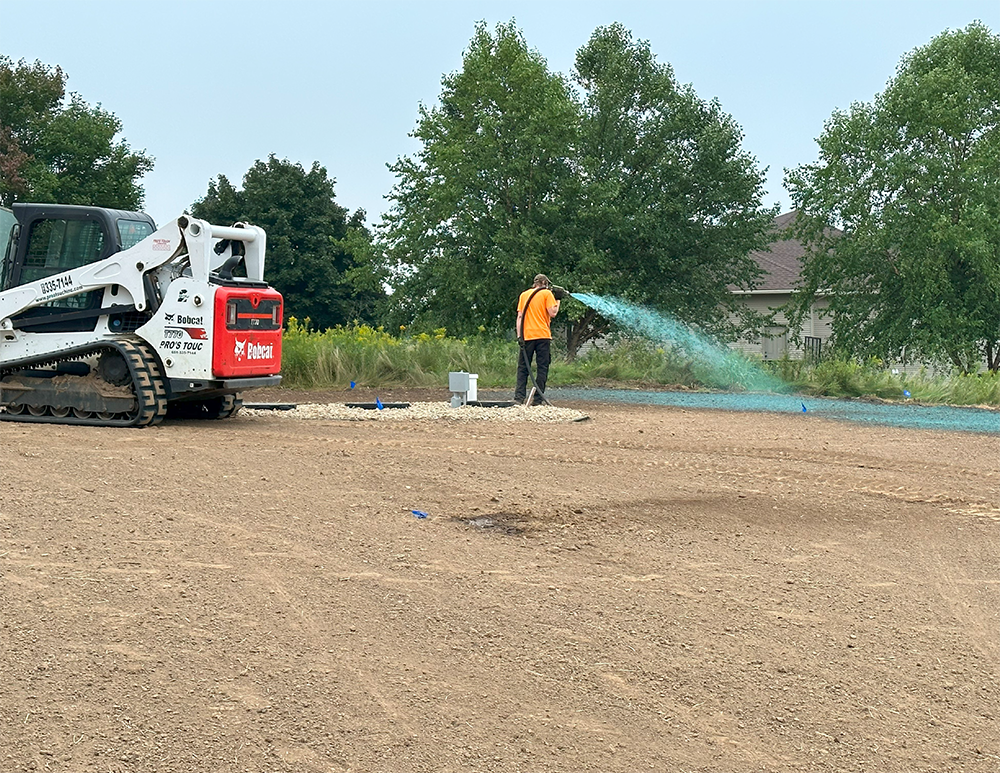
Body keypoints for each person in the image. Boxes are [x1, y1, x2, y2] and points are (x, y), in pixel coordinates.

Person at [514, 274, 560, 405]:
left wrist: (519, 336)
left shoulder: (524, 295)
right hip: (543, 336)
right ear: (544, 282)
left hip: (527, 336)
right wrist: (558, 300)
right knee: (542, 367)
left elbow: (520, 317)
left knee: (523, 367)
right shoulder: (546, 294)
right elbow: (553, 313)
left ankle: (518, 398)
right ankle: (538, 399)